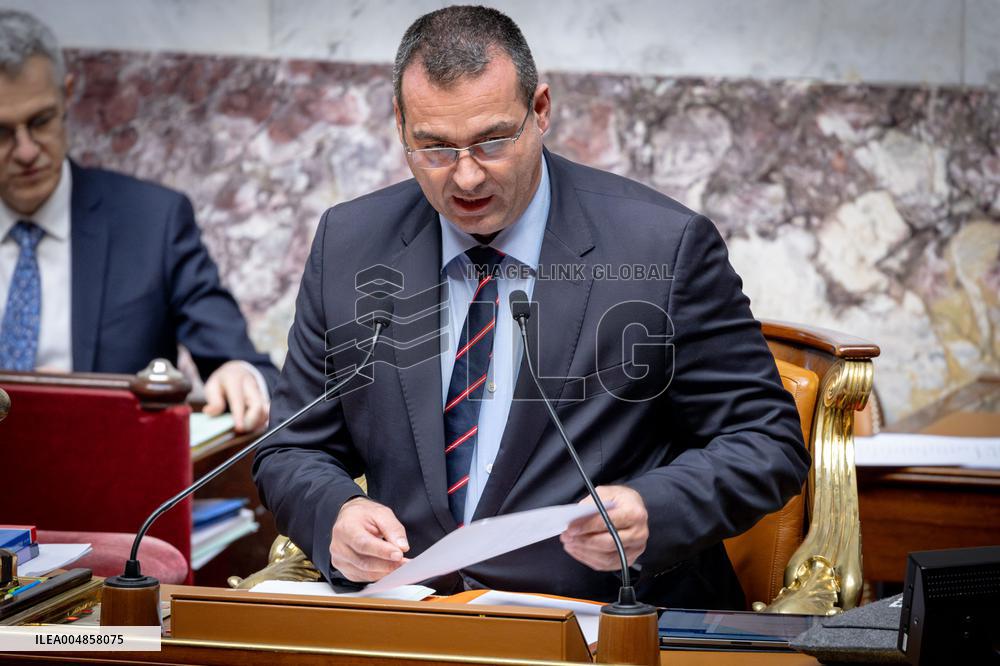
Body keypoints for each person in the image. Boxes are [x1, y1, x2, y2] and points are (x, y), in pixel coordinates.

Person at [254, 5, 809, 608]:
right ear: (400, 124)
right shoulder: (350, 245)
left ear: (540, 110)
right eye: (434, 148)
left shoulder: (663, 247)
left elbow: (767, 439)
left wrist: (655, 509)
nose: (465, 178)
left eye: (492, 141)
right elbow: (291, 446)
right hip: (413, 621)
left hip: (603, 622)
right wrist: (335, 513)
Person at [0, 10, 277, 431]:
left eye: (40, 122)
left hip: (113, 480)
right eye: (1, 132)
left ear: (67, 95)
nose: (25, 151)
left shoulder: (153, 222)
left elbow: (241, 362)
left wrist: (239, 374)